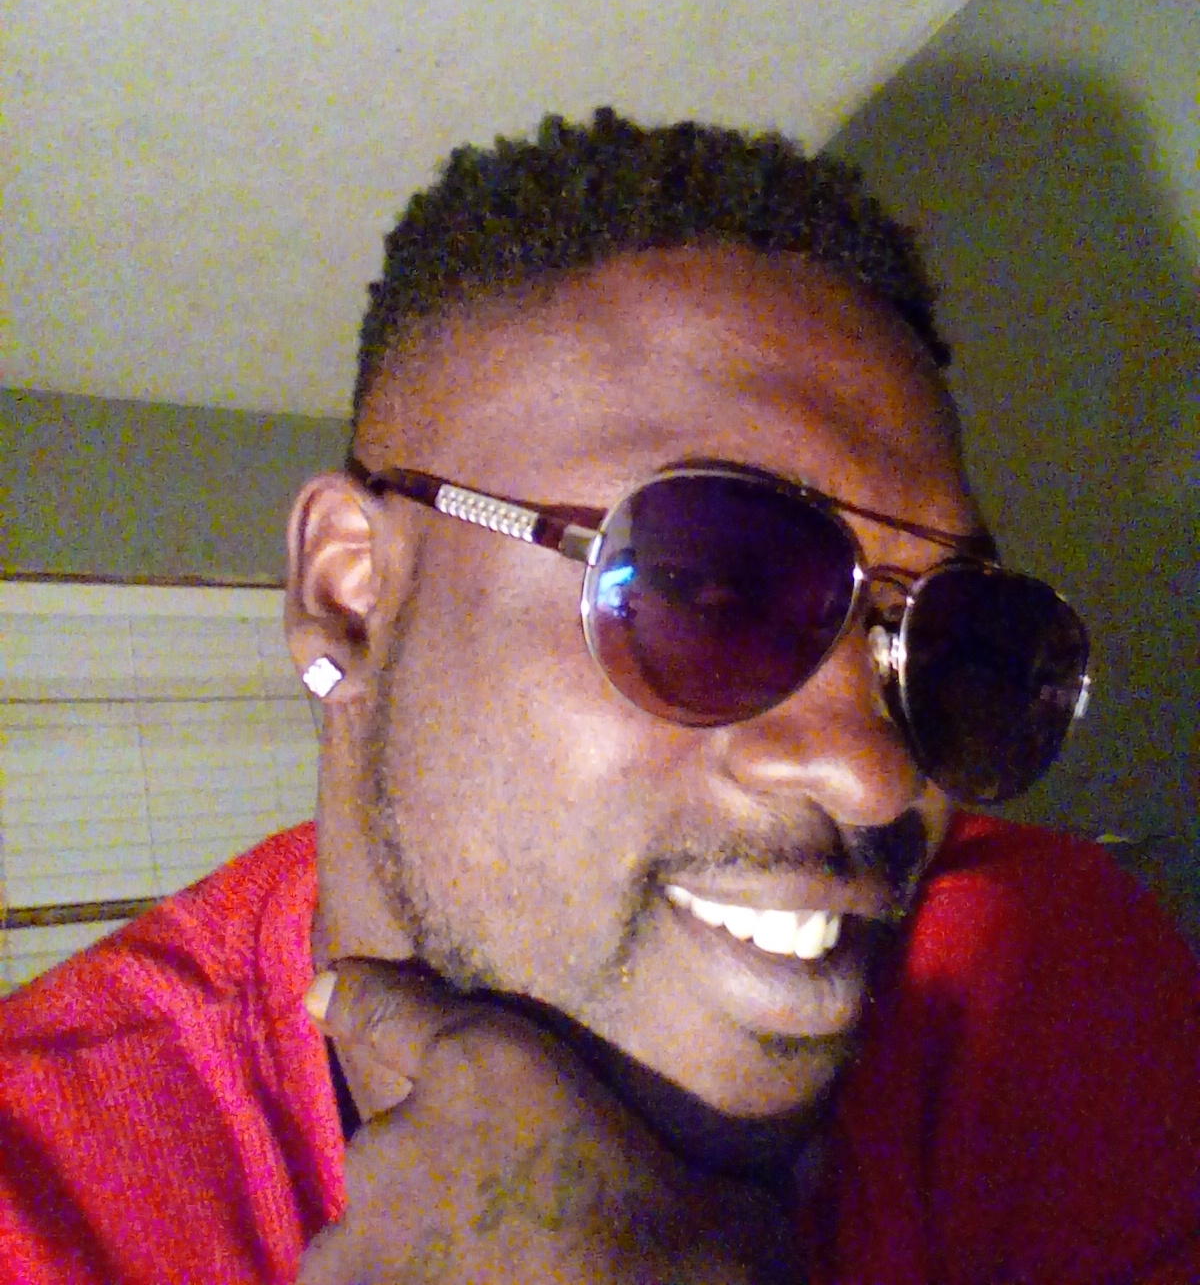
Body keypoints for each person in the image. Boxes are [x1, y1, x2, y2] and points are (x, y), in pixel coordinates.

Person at [2, 109, 1197, 1283]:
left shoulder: (1041, 975)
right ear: (350, 594)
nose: (876, 770)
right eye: (703, 587)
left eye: (957, 643)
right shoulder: (45, 1202)